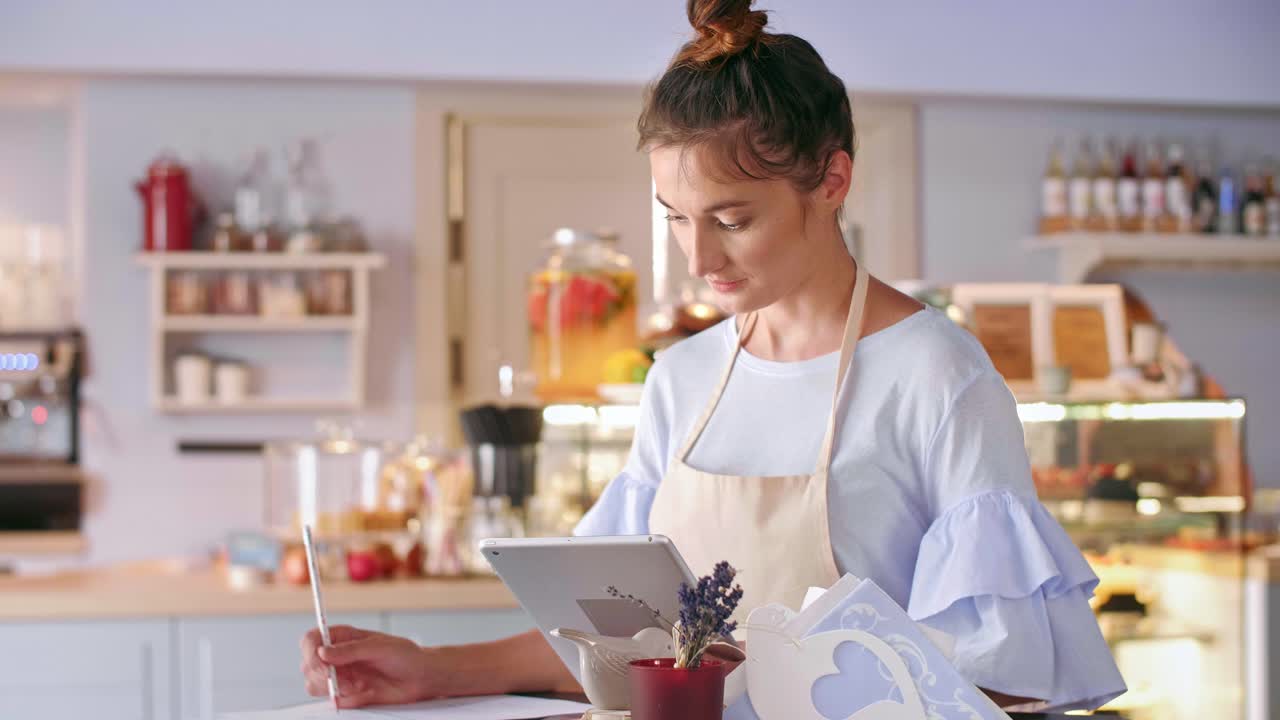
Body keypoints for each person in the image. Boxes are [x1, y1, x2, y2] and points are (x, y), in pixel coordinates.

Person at [301, 0, 1126, 712]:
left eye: (732, 220)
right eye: (675, 217)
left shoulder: (936, 374)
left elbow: (1005, 678)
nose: (699, 259)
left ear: (833, 179)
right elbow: (614, 638)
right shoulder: (682, 378)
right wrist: (432, 670)